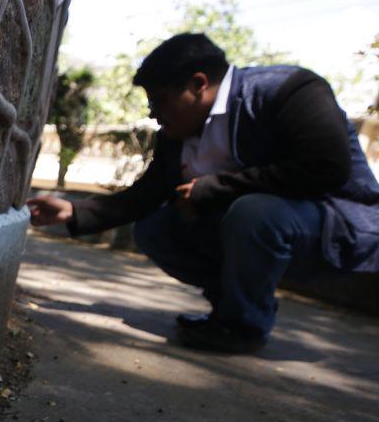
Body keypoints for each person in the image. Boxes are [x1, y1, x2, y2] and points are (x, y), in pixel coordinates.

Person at [28, 33, 379, 353]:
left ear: (199, 84)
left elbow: (326, 166)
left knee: (253, 212)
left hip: (336, 227)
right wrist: (74, 213)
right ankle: (229, 309)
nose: (154, 113)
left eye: (160, 100)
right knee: (155, 229)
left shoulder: (288, 90)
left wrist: (215, 189)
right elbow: (148, 193)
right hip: (258, 229)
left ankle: (243, 327)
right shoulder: (178, 132)